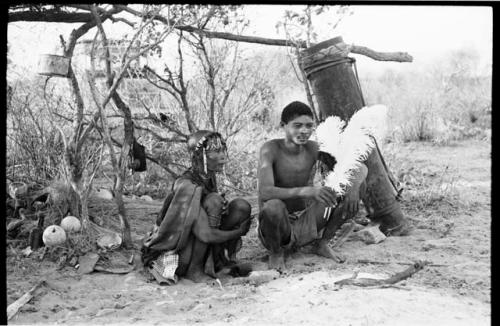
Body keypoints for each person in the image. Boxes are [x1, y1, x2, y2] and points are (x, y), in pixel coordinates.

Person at [257, 101, 368, 271]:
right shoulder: (270, 149)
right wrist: (306, 191)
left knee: (349, 184)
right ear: (283, 125)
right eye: (297, 125)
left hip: (307, 222)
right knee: (273, 206)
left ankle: (322, 243)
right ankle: (276, 252)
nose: (304, 131)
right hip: (277, 228)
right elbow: (265, 192)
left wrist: (354, 187)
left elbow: (358, 167)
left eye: (309, 126)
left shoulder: (314, 148)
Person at [141, 130, 252, 283]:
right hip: (175, 251)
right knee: (214, 201)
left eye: (222, 150)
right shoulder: (186, 185)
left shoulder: (207, 176)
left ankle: (221, 262)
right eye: (216, 151)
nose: (223, 156)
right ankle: (195, 270)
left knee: (240, 207)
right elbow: (205, 234)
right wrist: (239, 232)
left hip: (197, 239)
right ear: (202, 156)